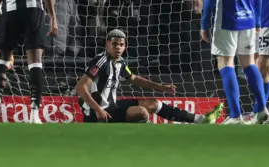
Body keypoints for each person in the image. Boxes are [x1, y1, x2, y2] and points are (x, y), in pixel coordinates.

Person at [201, 0, 269, 124]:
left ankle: (235, 115)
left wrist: (204, 24)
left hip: (227, 21)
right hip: (249, 20)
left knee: (226, 63)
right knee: (249, 64)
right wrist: (257, 20)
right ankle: (262, 108)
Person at [78, 29, 223, 124]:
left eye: (121, 45)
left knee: (153, 103)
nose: (118, 47)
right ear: (107, 44)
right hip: (97, 114)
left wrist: (160, 87)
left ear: (125, 47)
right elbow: (81, 87)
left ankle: (200, 119)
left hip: (111, 106)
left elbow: (133, 78)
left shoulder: (120, 62)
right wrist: (97, 109)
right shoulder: (101, 61)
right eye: (114, 44)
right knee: (141, 113)